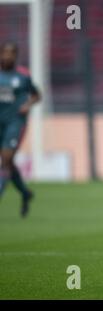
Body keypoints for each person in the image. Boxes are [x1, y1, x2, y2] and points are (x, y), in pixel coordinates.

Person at [0, 42, 40, 217]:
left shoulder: (23, 76)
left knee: (5, 159)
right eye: (5, 53)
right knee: (8, 163)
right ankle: (25, 193)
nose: (8, 56)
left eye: (12, 53)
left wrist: (27, 105)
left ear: (16, 56)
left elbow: (37, 95)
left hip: (15, 123)